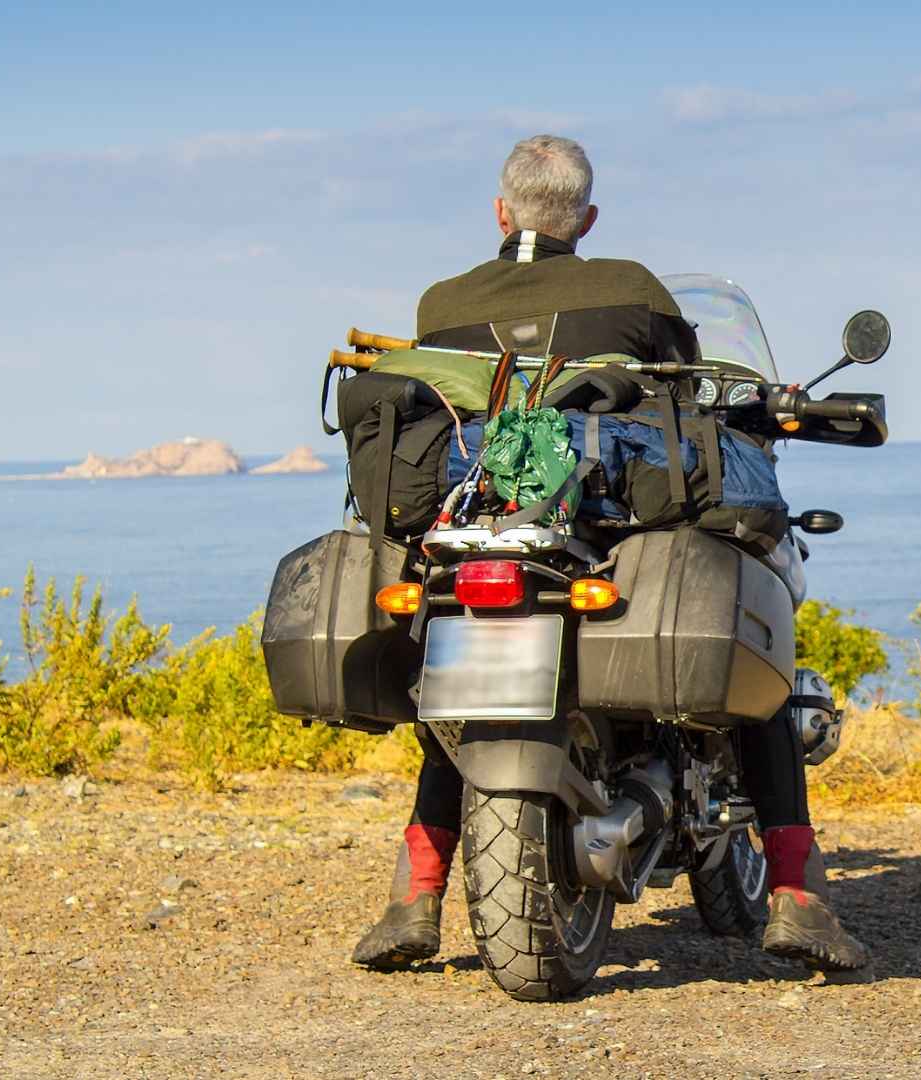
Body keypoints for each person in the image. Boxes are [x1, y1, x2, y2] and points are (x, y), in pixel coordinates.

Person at [349, 134, 869, 974]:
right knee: (759, 672)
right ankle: (798, 894)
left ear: (499, 210)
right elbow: (694, 395)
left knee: (454, 694)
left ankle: (417, 893)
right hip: (606, 510)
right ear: (586, 218)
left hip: (478, 511)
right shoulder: (630, 288)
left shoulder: (440, 301)